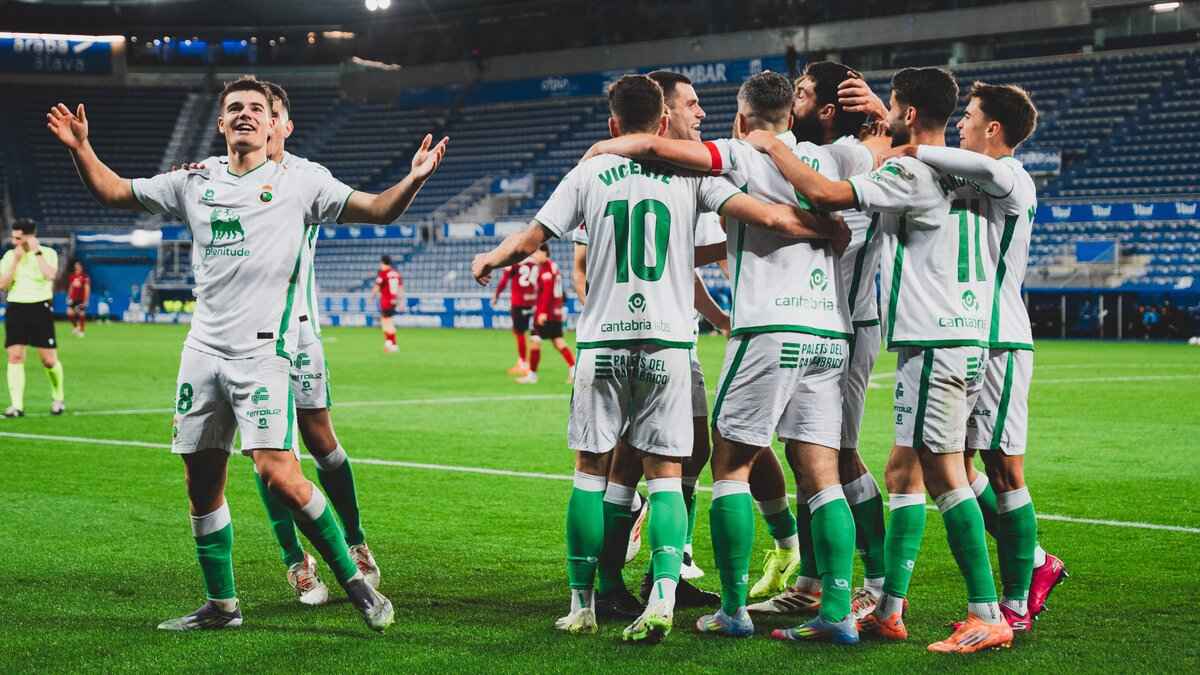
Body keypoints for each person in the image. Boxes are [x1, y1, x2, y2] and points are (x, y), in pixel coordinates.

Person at [47, 74, 446, 631]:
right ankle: (223, 605)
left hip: (264, 354)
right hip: (201, 350)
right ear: (221, 122)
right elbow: (115, 192)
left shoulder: (300, 181)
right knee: (201, 481)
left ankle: (354, 582)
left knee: (280, 472)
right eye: (234, 107)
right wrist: (82, 148)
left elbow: (378, 210)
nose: (244, 115)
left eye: (255, 108)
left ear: (270, 121)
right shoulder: (195, 180)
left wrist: (414, 180)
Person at [471, 74, 831, 642]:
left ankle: (582, 604)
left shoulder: (589, 172)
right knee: (667, 478)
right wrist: (816, 226)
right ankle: (662, 596)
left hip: (602, 342)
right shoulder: (694, 173)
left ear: (614, 125)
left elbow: (532, 239)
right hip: (666, 343)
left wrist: (491, 259)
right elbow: (761, 216)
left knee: (590, 474)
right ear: (662, 124)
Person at [743, 66, 1014, 653]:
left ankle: (984, 608)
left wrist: (767, 143)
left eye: (892, 104)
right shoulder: (998, 178)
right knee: (904, 470)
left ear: (909, 113)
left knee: (940, 474)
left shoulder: (907, 170)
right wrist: (898, 127)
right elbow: (976, 163)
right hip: (961, 335)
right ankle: (886, 603)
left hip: (923, 335)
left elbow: (827, 193)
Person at [585, 70, 858, 643]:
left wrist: (610, 143)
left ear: (742, 115)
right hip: (829, 331)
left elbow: (659, 146)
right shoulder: (832, 160)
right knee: (824, 478)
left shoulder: (735, 153)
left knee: (729, 466)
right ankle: (838, 612)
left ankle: (732, 609)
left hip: (769, 325)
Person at [886, 81, 1066, 631]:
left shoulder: (1012, 175)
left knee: (1004, 469)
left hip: (1003, 340)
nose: (961, 122)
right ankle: (1033, 561)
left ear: (994, 129)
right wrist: (886, 117)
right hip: (969, 336)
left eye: (970, 116)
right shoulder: (965, 173)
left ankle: (1016, 599)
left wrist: (914, 149)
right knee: (959, 464)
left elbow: (982, 171)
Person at [748, 61, 893, 623]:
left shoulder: (852, 165)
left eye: (804, 95)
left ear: (828, 111)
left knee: (838, 455)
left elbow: (827, 230)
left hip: (850, 325)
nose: (793, 101)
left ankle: (876, 586)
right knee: (806, 453)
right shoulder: (838, 159)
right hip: (826, 325)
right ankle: (810, 580)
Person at [253, 80, 383, 606]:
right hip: (246, 341)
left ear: (284, 124)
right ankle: (296, 563)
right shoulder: (218, 177)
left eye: (273, 114)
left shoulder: (307, 177)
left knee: (321, 439)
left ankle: (356, 543)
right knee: (269, 452)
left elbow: (370, 207)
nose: (264, 122)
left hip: (301, 330)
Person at [0, 219, 66, 417]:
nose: (14, 241)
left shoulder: (48, 253)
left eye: (18, 237)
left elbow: (49, 275)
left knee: (48, 360)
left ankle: (58, 397)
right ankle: (17, 406)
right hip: (16, 308)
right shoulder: (9, 256)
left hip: (40, 308)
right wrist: (16, 261)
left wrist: (36, 253)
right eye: (13, 237)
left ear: (30, 236)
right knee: (15, 356)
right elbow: (3, 284)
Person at [516, 243, 576, 384]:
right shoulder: (551, 267)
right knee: (557, 341)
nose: (534, 257)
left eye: (536, 253)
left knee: (535, 341)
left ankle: (532, 375)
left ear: (544, 253)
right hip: (555, 312)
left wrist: (542, 312)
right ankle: (574, 369)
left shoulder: (546, 269)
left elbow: (547, 293)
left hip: (547, 313)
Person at [493, 257, 539, 374]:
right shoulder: (535, 261)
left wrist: (496, 295)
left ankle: (523, 363)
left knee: (519, 333)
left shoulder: (514, 261)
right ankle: (530, 364)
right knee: (534, 334)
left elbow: (504, 280)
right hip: (534, 301)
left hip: (519, 302)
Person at [372, 255, 403, 352]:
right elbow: (400, 288)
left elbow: (377, 287)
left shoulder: (383, 273)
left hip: (386, 301)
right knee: (389, 321)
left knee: (386, 322)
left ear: (382, 263)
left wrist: (372, 295)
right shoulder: (396, 273)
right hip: (393, 301)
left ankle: (391, 343)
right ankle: (391, 344)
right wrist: (400, 301)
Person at [66, 261, 91, 337]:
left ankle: (82, 331)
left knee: (81, 313)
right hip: (73, 299)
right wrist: (68, 296)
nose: (77, 267)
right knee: (69, 313)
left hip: (81, 299)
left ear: (81, 267)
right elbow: (71, 287)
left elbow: (87, 288)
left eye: (78, 266)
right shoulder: (72, 276)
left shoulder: (85, 277)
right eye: (76, 266)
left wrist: (86, 300)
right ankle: (76, 327)